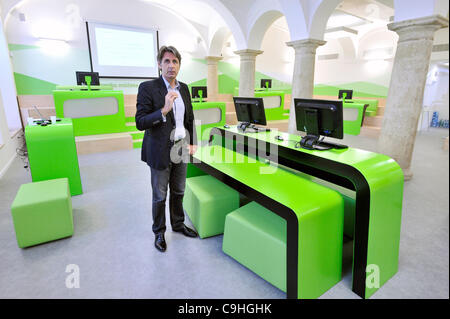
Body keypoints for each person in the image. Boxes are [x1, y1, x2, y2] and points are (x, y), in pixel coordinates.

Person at [135, 45, 198, 252]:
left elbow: (189, 118)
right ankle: (159, 232)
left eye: (175, 61)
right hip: (160, 149)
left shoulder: (184, 88)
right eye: (167, 61)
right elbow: (140, 121)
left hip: (181, 147)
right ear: (160, 65)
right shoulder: (148, 88)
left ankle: (178, 225)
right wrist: (163, 110)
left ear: (179, 65)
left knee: (179, 190)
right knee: (160, 195)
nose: (171, 66)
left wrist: (193, 141)